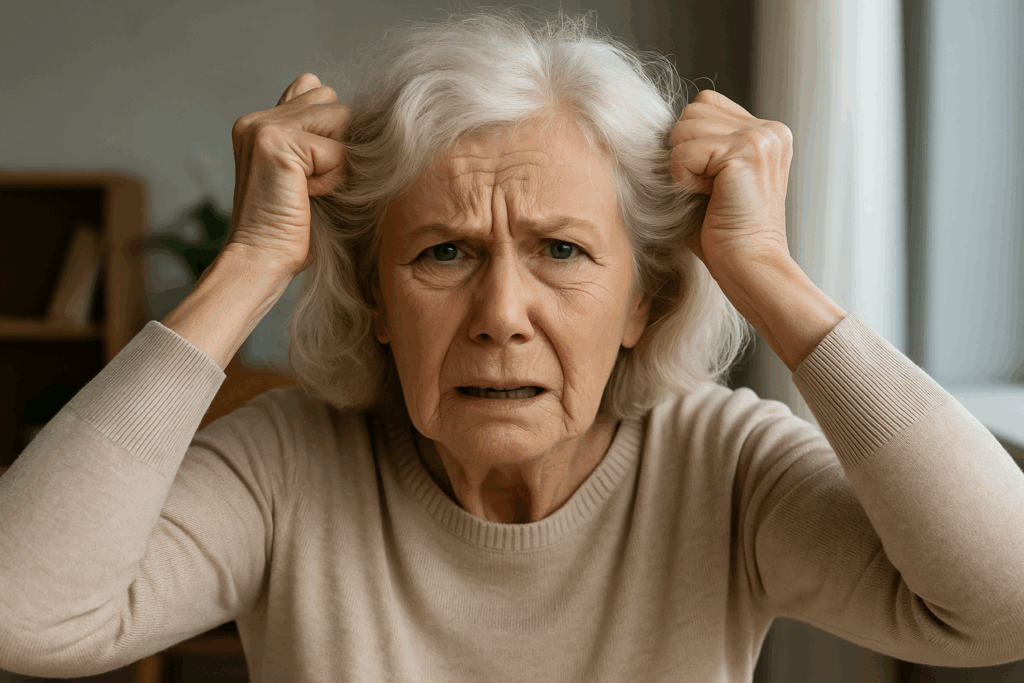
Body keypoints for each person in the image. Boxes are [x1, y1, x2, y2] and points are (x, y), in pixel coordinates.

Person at [1, 7, 1023, 682]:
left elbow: (1004, 602)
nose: (501, 311)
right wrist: (258, 256)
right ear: (372, 294)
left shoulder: (723, 464)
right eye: (442, 251)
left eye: (562, 250)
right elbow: (23, 613)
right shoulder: (287, 462)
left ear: (643, 298)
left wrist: (767, 271)